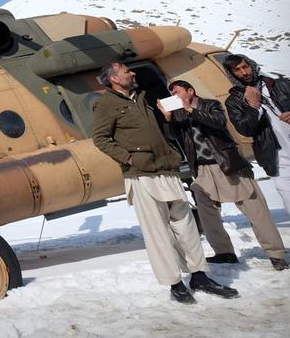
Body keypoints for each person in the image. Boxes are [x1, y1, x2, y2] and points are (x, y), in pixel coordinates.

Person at [92, 62, 238, 304]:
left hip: (166, 169)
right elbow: (100, 138)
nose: (133, 73)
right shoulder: (105, 104)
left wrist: (168, 125)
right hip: (140, 174)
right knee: (157, 231)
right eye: (127, 71)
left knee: (186, 225)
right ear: (114, 79)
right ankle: (174, 283)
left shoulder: (141, 97)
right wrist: (129, 158)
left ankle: (199, 275)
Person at [160, 80, 288, 270]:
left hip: (227, 164)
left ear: (190, 91)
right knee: (206, 212)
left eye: (177, 92)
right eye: (173, 95)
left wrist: (191, 110)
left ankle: (276, 254)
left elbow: (218, 122)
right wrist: (168, 118)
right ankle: (224, 252)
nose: (175, 97)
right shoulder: (179, 113)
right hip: (203, 170)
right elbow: (172, 136)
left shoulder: (211, 105)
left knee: (255, 208)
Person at [223, 53, 290, 252]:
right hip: (277, 157)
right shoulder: (234, 101)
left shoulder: (283, 85)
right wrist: (254, 106)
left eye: (245, 67)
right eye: (237, 70)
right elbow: (245, 129)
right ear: (231, 74)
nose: (244, 72)